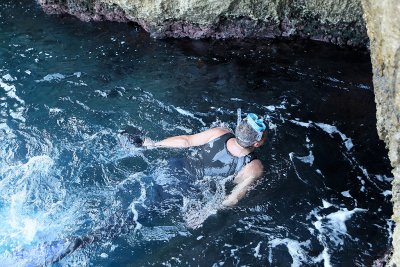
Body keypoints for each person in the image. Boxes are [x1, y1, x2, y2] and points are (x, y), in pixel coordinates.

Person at [142, 111, 267, 207]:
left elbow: (186, 141)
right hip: (189, 190)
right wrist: (204, 213)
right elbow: (231, 200)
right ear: (257, 143)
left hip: (175, 166)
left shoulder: (221, 132)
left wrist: (154, 144)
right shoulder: (254, 167)